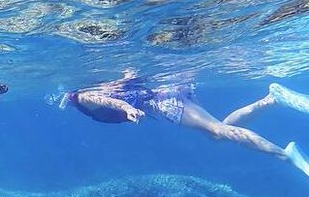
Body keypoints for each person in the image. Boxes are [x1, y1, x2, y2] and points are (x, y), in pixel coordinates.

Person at [59, 73, 309, 177]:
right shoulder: (88, 94)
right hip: (171, 92)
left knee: (219, 131)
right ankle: (271, 99)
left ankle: (284, 154)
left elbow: (107, 100)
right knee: (218, 133)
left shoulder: (82, 97)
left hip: (165, 101)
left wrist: (128, 108)